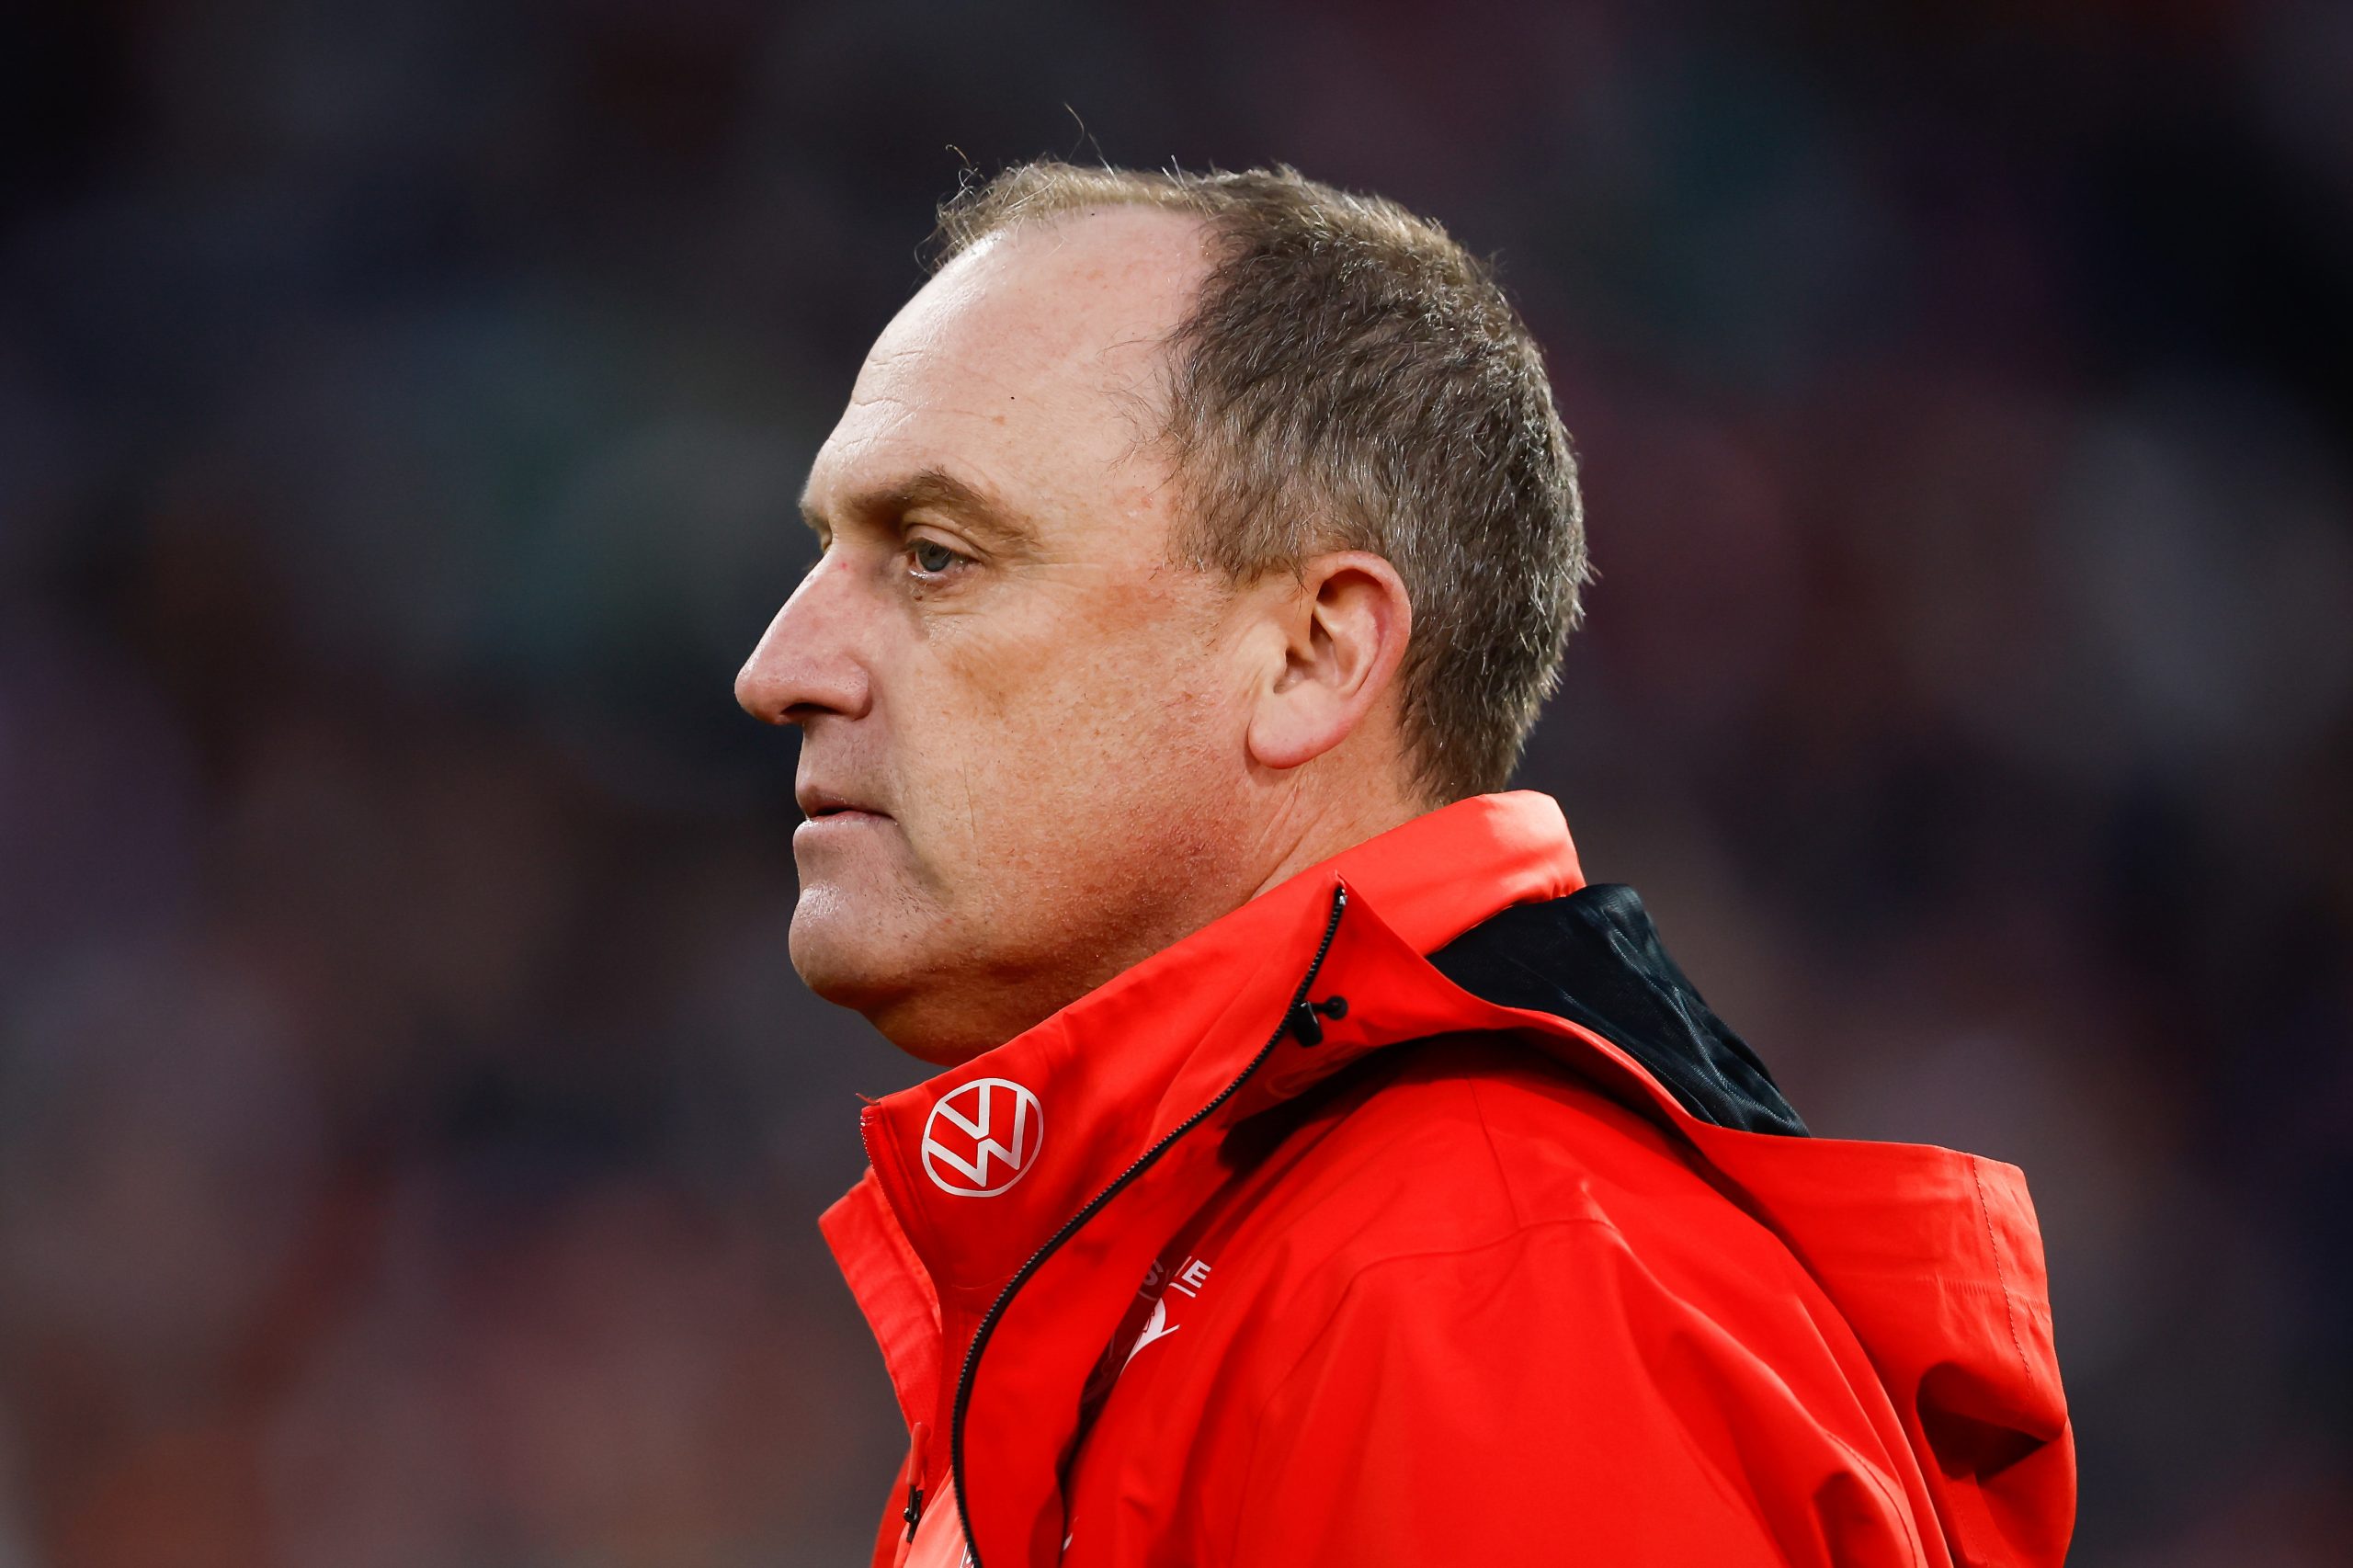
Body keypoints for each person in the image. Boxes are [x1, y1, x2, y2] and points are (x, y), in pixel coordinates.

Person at [734, 162, 2075, 1568]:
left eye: (938, 556)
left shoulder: (1470, 1292)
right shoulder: (1227, 1261)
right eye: (830, 551)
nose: (782, 667)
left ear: (1313, 654)